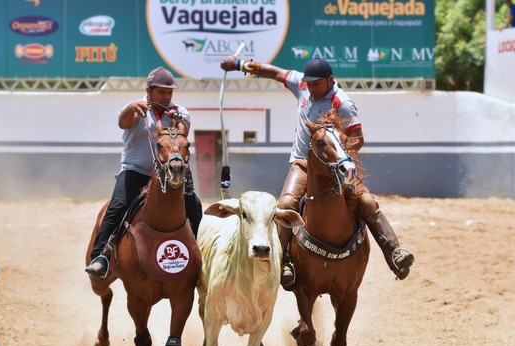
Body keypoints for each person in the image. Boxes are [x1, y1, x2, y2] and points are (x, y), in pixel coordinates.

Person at [219, 56, 414, 288]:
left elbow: (357, 138)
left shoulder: (342, 103)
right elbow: (275, 72)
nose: (311, 88)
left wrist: (337, 158)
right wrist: (240, 64)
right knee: (287, 203)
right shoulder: (302, 84)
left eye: (316, 84)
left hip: (336, 167)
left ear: (330, 80)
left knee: (367, 203)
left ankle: (394, 253)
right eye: (309, 84)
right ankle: (285, 263)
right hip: (302, 164)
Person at [85, 66, 203, 279]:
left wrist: (176, 119)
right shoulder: (135, 108)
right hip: (136, 170)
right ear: (148, 91)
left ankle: (200, 254)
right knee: (117, 207)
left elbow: (184, 131)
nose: (166, 96)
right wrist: (131, 109)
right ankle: (100, 257)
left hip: (169, 171)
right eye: (161, 92)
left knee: (194, 204)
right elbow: (123, 122)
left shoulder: (179, 110)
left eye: (169, 92)